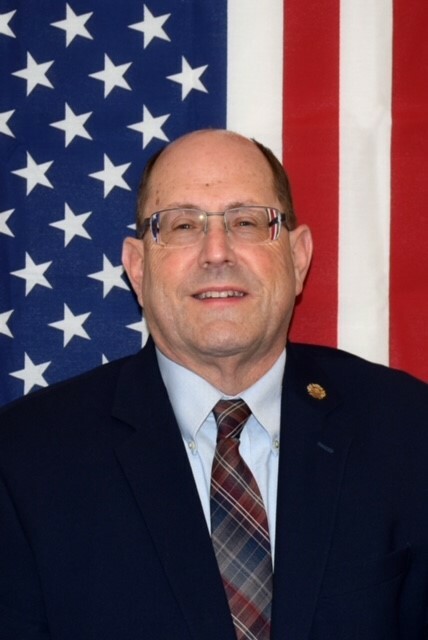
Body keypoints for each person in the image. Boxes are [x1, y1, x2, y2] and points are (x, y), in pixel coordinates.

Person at [0, 129, 427, 640]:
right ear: (137, 267)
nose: (217, 252)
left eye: (246, 222)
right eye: (183, 225)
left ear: (298, 257)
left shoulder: (408, 430)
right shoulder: (24, 460)